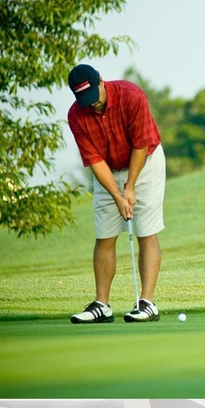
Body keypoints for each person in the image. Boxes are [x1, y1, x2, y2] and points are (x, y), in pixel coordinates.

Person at [66, 64, 166, 323]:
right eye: (84, 101)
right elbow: (95, 161)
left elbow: (141, 144)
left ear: (101, 81)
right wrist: (117, 195)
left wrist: (130, 186)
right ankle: (102, 305)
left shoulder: (132, 96)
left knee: (145, 232)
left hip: (145, 164)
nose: (92, 106)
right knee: (105, 236)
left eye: (94, 98)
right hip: (107, 171)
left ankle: (146, 303)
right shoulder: (76, 115)